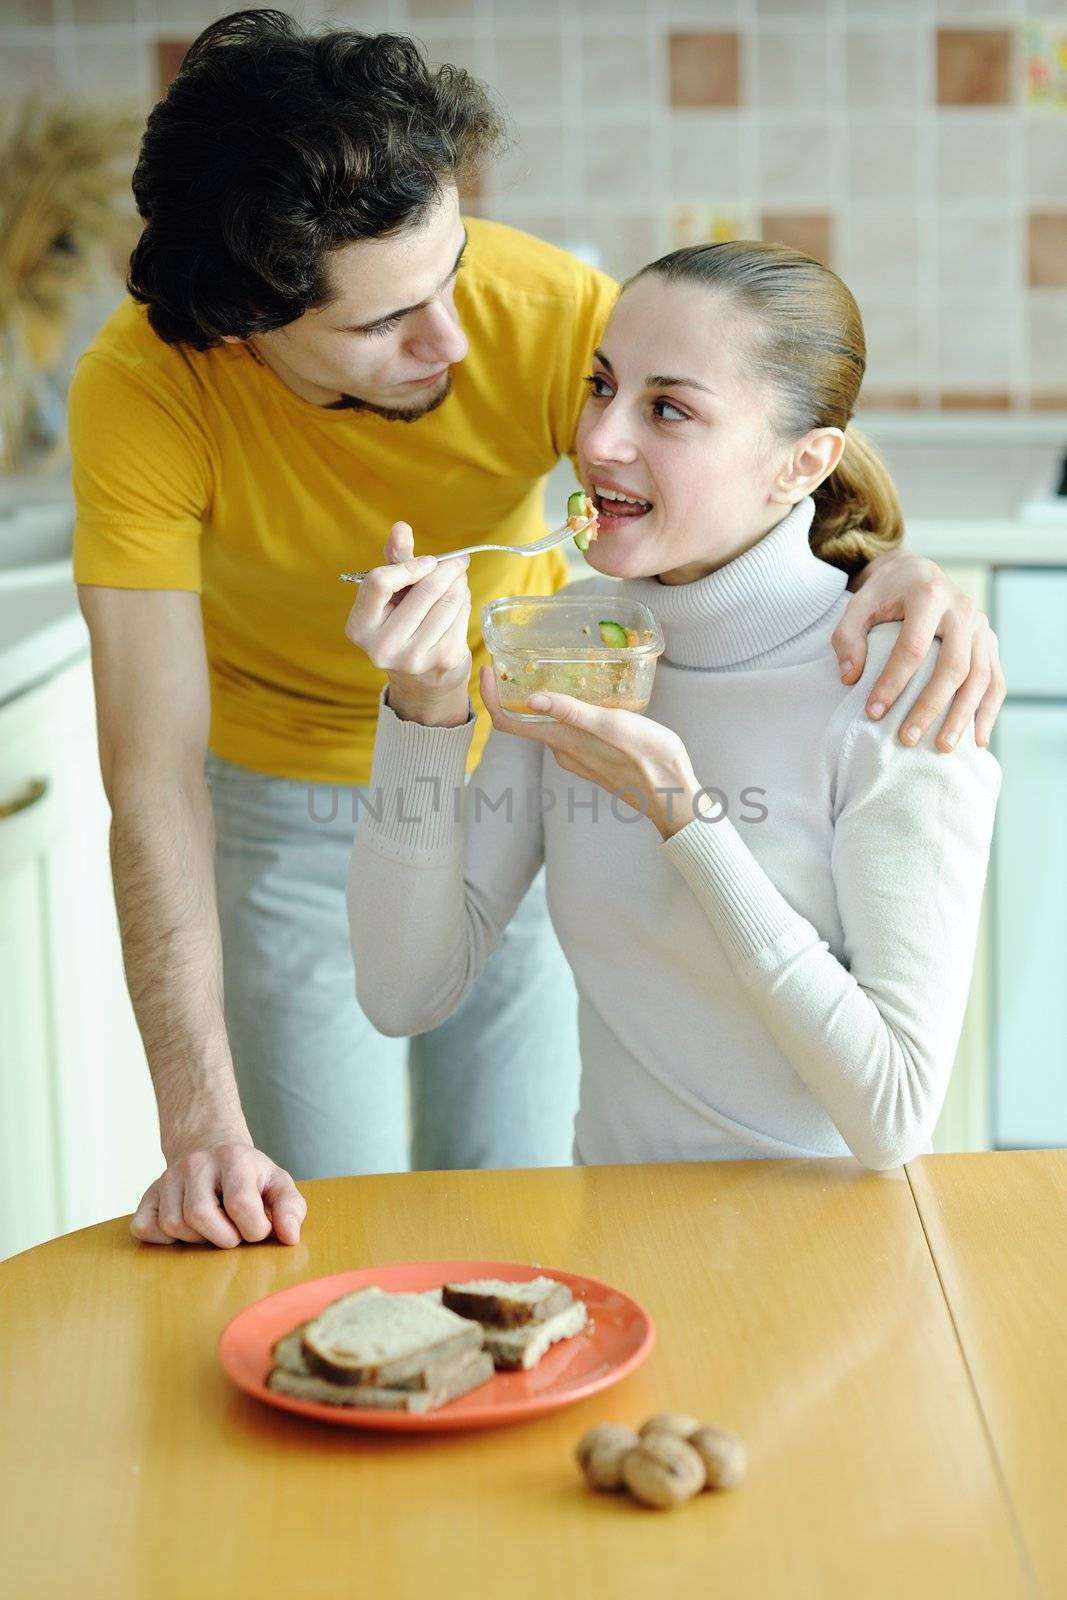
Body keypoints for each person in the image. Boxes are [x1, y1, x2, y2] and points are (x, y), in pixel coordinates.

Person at [69, 12, 1002, 1251]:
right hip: (296, 776)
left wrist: (900, 565)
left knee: (497, 1213)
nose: (453, 340)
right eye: (380, 326)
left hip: (534, 737)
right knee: (325, 1227)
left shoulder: (539, 317)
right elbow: (155, 780)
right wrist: (199, 1132)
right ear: (248, 326)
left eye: (449, 275)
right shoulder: (146, 395)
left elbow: (752, 423)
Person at [346, 240, 1001, 1170]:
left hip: (830, 1256)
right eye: (601, 386)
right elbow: (403, 992)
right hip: (615, 1234)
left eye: (668, 409)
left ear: (801, 464)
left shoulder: (900, 685)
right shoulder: (572, 645)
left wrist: (682, 818)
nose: (601, 441)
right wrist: (422, 712)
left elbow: (891, 1117)